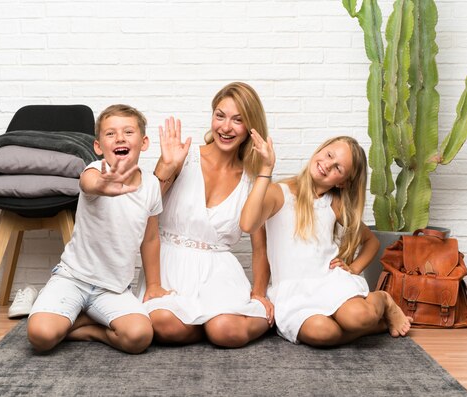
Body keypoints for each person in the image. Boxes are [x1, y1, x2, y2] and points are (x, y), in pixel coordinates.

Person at [240, 133, 412, 346]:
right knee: (322, 333)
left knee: (359, 317)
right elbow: (247, 224)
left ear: (342, 183)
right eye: (329, 155)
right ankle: (375, 327)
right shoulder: (278, 193)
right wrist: (266, 169)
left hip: (330, 283)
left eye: (338, 168)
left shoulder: (334, 205)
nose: (327, 165)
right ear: (321, 149)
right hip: (293, 293)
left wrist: (354, 268)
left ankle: (384, 300)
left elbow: (371, 242)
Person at [140, 82, 274, 348]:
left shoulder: (252, 178)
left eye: (238, 120)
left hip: (217, 272)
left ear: (251, 127)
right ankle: (209, 326)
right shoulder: (182, 156)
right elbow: (146, 212)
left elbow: (260, 245)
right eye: (220, 116)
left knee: (226, 332)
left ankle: (249, 319)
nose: (225, 127)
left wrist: (259, 293)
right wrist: (166, 169)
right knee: (164, 324)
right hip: (170, 266)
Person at [27, 104, 168, 354]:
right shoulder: (95, 171)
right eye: (110, 133)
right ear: (98, 147)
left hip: (113, 288)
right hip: (73, 279)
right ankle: (68, 319)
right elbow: (88, 183)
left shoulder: (152, 185)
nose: (120, 138)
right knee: (41, 336)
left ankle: (84, 326)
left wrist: (154, 285)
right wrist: (102, 185)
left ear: (144, 142)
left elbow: (151, 238)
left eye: (128, 132)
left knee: (140, 337)